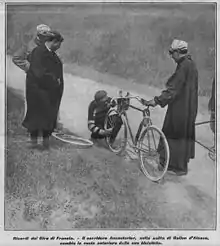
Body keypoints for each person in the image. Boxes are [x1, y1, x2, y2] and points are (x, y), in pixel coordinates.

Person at [142, 39, 198, 176]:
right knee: (183, 135)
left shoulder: (183, 67)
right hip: (189, 108)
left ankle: (171, 166)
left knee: (171, 133)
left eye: (172, 53)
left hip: (180, 108)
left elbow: (173, 90)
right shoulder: (190, 65)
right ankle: (180, 166)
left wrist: (156, 101)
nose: (171, 56)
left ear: (179, 52)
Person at [22, 30, 64, 149]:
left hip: (49, 92)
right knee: (37, 116)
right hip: (38, 91)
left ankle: (45, 143)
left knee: (48, 116)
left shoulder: (52, 54)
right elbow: (39, 73)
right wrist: (54, 80)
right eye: (59, 44)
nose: (59, 47)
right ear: (53, 42)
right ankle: (33, 143)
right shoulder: (38, 52)